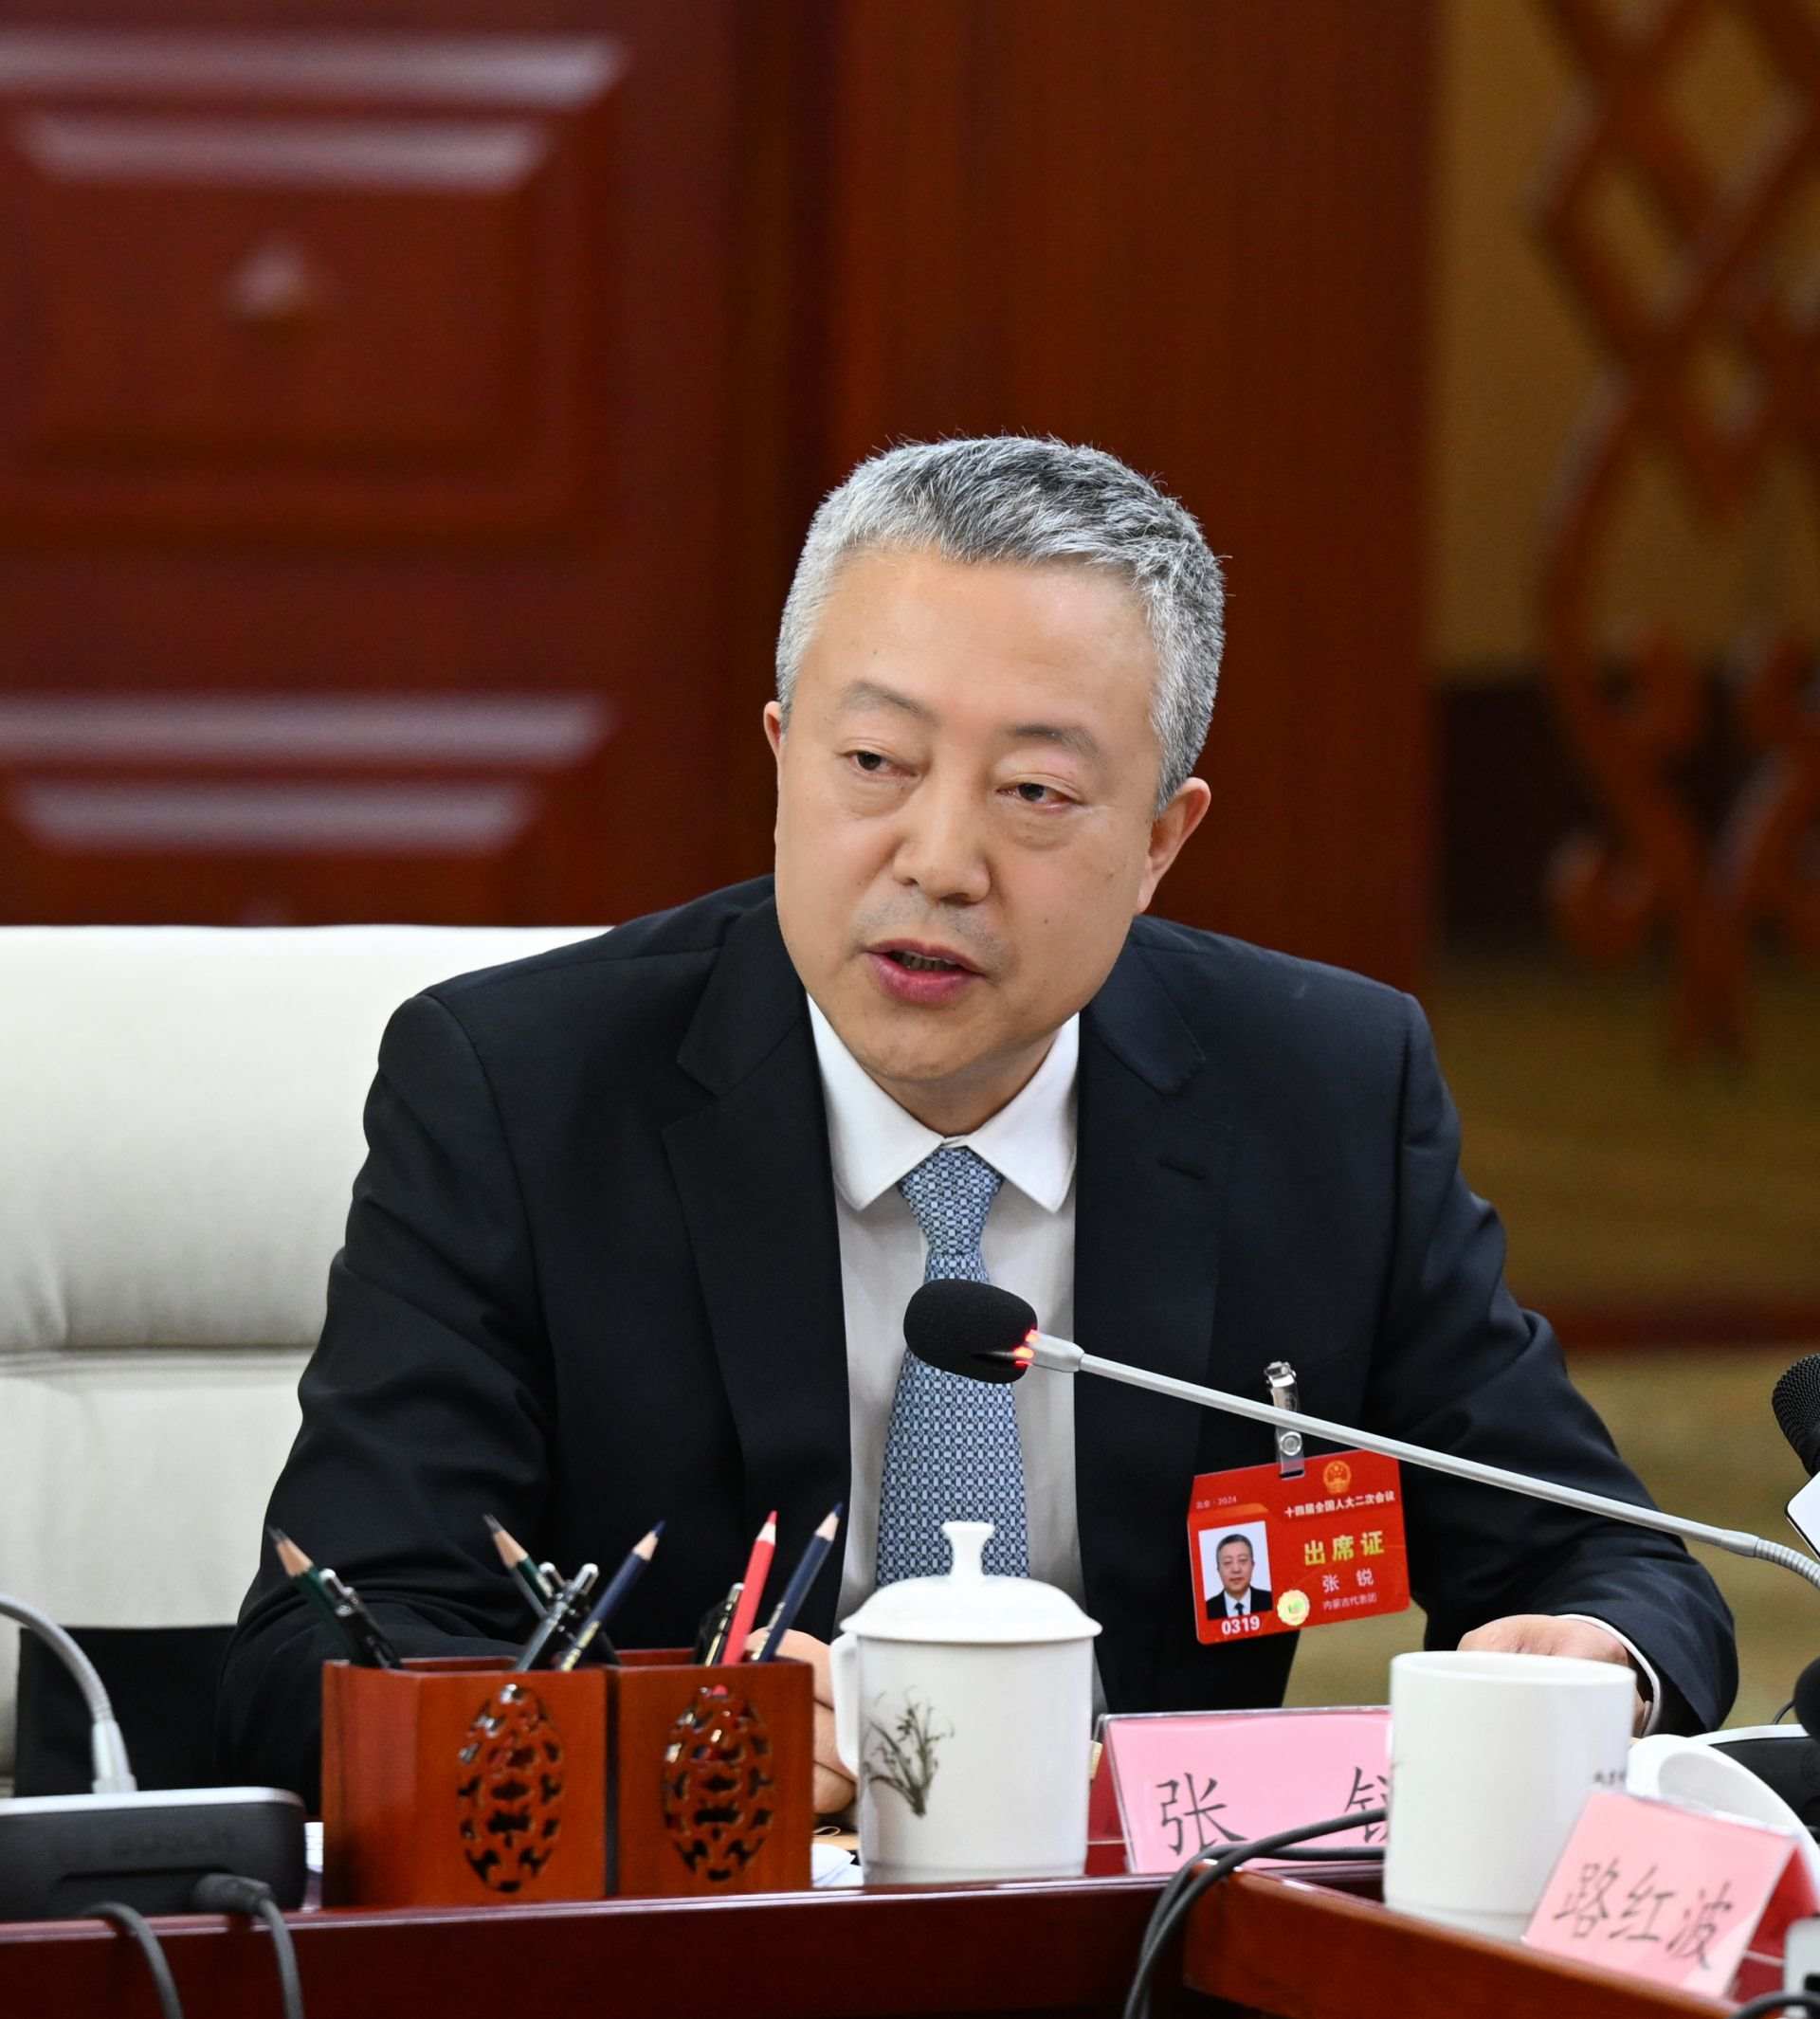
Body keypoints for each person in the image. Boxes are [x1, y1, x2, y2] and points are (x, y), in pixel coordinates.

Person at [218, 437, 1736, 1811]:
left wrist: (1595, 1654)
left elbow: (1602, 1558)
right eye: (874, 764)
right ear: (780, 758)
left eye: (1035, 791)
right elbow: (322, 1652)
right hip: (697, 1937)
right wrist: (680, 1735)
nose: (939, 859)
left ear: (1161, 839)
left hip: (1141, 1946)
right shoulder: (521, 1092)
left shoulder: (1320, 1090)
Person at [1208, 1536, 1271, 1620]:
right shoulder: (1207, 1610)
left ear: (1252, 1565)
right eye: (1227, 1562)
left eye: (1242, 1560)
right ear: (1218, 1570)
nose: (1236, 1569)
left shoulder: (1271, 1601)